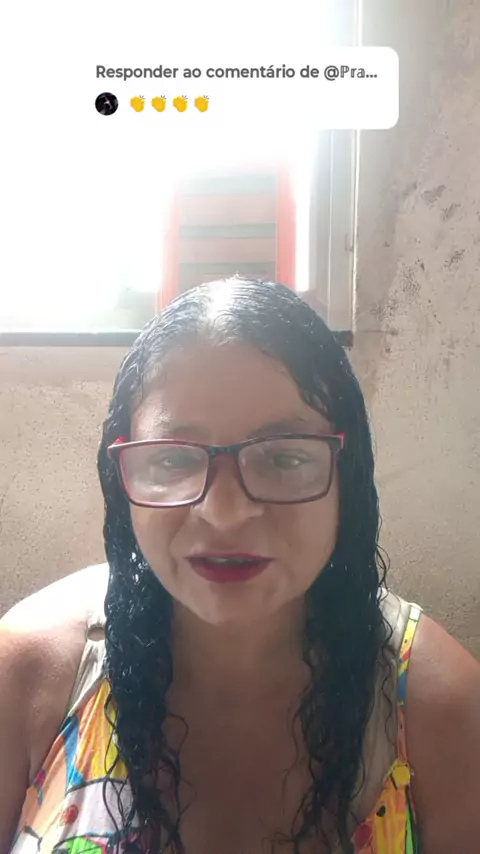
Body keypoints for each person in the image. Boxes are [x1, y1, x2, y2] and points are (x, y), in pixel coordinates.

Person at [1, 277, 479, 854]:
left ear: (346, 476)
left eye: (283, 458)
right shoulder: (29, 673)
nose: (224, 513)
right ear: (120, 476)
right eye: (173, 459)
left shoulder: (438, 711)